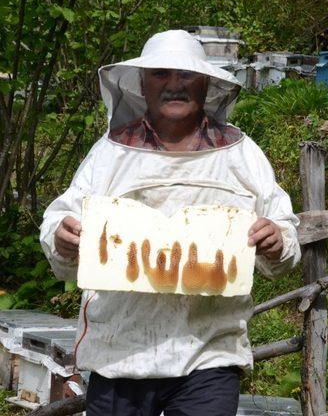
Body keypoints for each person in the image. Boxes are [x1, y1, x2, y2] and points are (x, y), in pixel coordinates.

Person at [39, 30, 301, 415]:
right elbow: (60, 223)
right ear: (142, 84)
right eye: (161, 74)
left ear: (206, 83)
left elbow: (283, 234)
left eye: (186, 75)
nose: (174, 86)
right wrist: (62, 237)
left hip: (209, 353)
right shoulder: (109, 154)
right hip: (120, 353)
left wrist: (276, 240)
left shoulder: (241, 155)